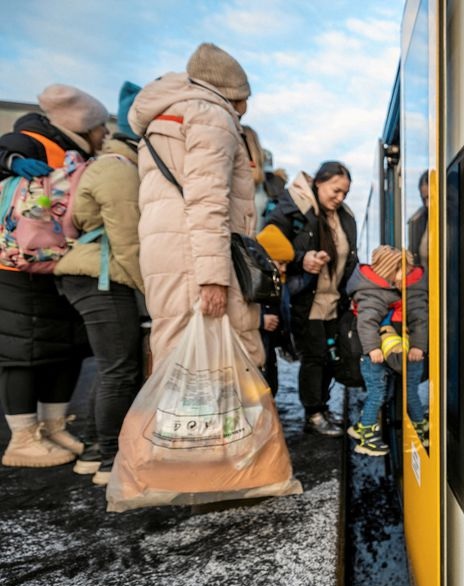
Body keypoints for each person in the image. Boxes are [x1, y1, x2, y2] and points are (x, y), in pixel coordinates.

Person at [128, 43, 264, 372]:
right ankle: (223, 426)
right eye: (245, 97)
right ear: (234, 92)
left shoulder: (164, 118)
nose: (245, 108)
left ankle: (173, 424)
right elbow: (208, 199)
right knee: (222, 366)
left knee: (176, 358)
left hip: (169, 251)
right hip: (199, 256)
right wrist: (213, 278)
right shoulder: (210, 115)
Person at [0, 84, 109, 468]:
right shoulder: (32, 139)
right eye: (100, 128)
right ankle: (23, 439)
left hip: (54, 263)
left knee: (63, 348)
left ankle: (54, 426)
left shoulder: (75, 153)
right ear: (84, 125)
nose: (104, 135)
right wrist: (12, 159)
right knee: (23, 351)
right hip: (16, 265)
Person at [54, 81, 144, 485]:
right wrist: (151, 289)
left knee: (112, 368)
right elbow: (127, 239)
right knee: (119, 370)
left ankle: (94, 450)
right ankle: (109, 459)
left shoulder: (107, 164)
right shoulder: (118, 168)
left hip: (94, 274)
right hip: (101, 276)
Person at [267, 161, 358, 436]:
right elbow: (267, 244)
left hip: (334, 300)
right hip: (305, 299)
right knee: (314, 357)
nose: (340, 198)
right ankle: (313, 415)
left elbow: (350, 257)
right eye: (336, 190)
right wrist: (300, 259)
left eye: (345, 193)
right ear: (319, 183)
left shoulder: (344, 216)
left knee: (331, 357)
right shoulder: (294, 207)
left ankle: (323, 408)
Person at [346, 246, 428, 455]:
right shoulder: (374, 293)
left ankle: (362, 427)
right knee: (377, 394)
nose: (407, 275)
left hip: (377, 353)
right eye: (403, 270)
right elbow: (366, 322)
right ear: (389, 270)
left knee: (378, 392)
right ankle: (367, 436)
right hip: (372, 355)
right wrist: (373, 348)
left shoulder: (380, 287)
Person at [255, 223, 297, 396]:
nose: (284, 268)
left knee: (271, 384)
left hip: (269, 345)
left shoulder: (280, 281)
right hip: (258, 345)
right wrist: (260, 320)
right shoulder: (255, 282)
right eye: (281, 262)